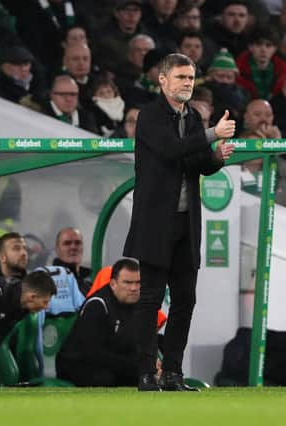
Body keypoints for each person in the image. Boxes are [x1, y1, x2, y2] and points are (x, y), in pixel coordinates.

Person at [123, 53, 235, 392]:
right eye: (181, 78)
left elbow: (197, 163)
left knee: (186, 301)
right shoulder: (150, 116)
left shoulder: (193, 116)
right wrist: (213, 133)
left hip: (187, 224)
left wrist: (216, 157)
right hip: (157, 224)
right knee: (150, 300)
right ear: (163, 80)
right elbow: (171, 151)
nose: (187, 83)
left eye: (190, 78)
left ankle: (172, 373)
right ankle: (145, 373)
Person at [56, 258, 142, 387]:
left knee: (146, 378)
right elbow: (92, 353)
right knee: (106, 379)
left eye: (138, 283)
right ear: (113, 284)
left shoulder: (138, 306)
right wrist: (134, 365)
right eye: (128, 283)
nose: (134, 288)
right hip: (77, 364)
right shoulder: (97, 305)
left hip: (111, 362)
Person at [0, 270, 56, 386]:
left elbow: (4, 327)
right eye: (45, 302)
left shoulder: (22, 309)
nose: (46, 307)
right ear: (32, 297)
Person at [53, 227, 92, 296]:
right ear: (57, 249)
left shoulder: (90, 285)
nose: (73, 247)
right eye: (67, 243)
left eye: (78, 243)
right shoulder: (48, 283)